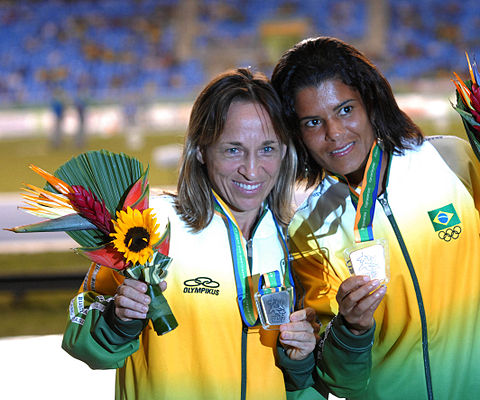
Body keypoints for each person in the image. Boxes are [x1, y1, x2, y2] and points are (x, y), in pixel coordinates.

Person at [271, 37, 480, 399]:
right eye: (313, 122)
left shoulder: (451, 161)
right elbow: (340, 381)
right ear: (296, 132)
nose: (335, 133)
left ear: (371, 102)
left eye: (345, 110)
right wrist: (352, 328)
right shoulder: (307, 230)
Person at [62, 68, 372, 399]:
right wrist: (119, 319)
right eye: (233, 150)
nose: (252, 170)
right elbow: (81, 340)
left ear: (285, 152)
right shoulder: (148, 227)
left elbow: (308, 384)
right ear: (200, 150)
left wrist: (299, 357)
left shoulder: (296, 241)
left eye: (267, 148)